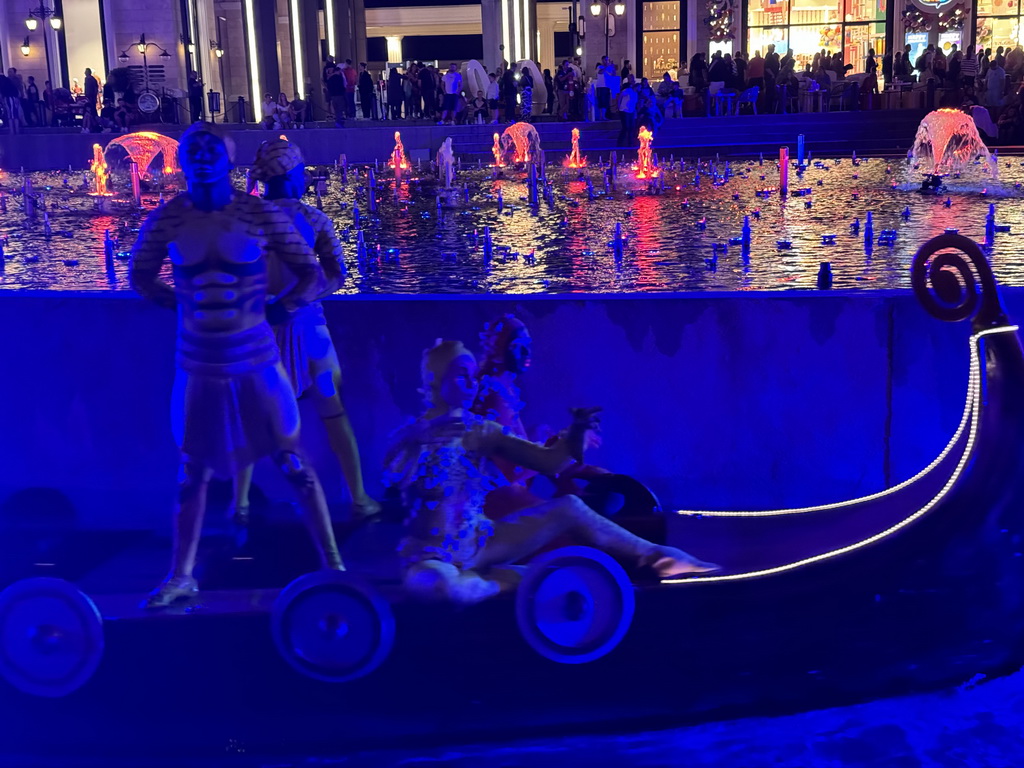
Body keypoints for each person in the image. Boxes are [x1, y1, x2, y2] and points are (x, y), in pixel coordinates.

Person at [129, 123, 344, 608]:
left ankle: (334, 564)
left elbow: (314, 271)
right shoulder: (167, 219)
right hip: (198, 361)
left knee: (292, 461)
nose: (202, 158)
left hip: (256, 358)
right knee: (191, 472)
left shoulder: (259, 214)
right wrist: (181, 305)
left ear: (228, 160)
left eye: (211, 150)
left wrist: (283, 307)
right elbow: (139, 276)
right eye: (193, 151)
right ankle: (180, 575)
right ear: (182, 162)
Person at [386, 340, 717, 604]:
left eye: (473, 373)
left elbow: (549, 462)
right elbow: (391, 474)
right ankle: (511, 581)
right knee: (442, 586)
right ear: (436, 379)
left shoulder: (482, 430)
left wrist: (575, 432)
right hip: (433, 554)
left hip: (481, 542)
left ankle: (659, 558)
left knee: (571, 508)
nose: (472, 382)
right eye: (460, 373)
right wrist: (419, 439)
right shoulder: (413, 435)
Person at [229, 137, 380, 524]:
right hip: (311, 333)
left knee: (252, 416)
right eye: (301, 174)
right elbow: (337, 274)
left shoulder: (244, 220)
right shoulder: (313, 219)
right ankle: (359, 498)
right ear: (292, 177)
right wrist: (296, 302)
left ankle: (241, 504)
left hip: (260, 335)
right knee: (332, 411)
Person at [616, 81, 637, 146]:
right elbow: (620, 97)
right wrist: (619, 106)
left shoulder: (635, 93)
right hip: (624, 110)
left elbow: (634, 103)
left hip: (631, 111)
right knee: (626, 127)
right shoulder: (627, 90)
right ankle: (620, 143)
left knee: (631, 127)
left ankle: (630, 143)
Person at [596, 56, 616, 120]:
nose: (606, 61)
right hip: (601, 86)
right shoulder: (599, 67)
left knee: (606, 101)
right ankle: (601, 116)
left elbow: (614, 74)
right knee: (601, 101)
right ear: (602, 60)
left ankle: (604, 116)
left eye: (607, 60)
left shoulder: (610, 68)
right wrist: (607, 66)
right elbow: (600, 72)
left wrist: (613, 67)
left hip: (607, 86)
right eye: (605, 60)